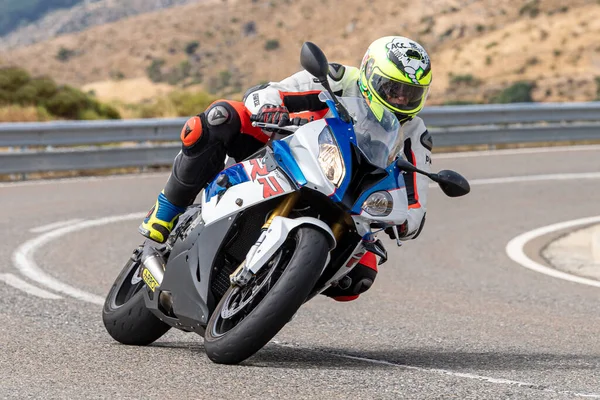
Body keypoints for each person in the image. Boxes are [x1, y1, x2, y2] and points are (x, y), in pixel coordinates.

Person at [139, 36, 433, 301]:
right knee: (218, 118)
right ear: (369, 72)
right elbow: (269, 93)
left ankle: (276, 293)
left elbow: (417, 202)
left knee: (359, 278)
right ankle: (165, 212)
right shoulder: (336, 79)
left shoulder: (414, 131)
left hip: (352, 194)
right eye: (393, 89)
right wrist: (269, 107)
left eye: (410, 93)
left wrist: (406, 219)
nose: (400, 99)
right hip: (287, 152)